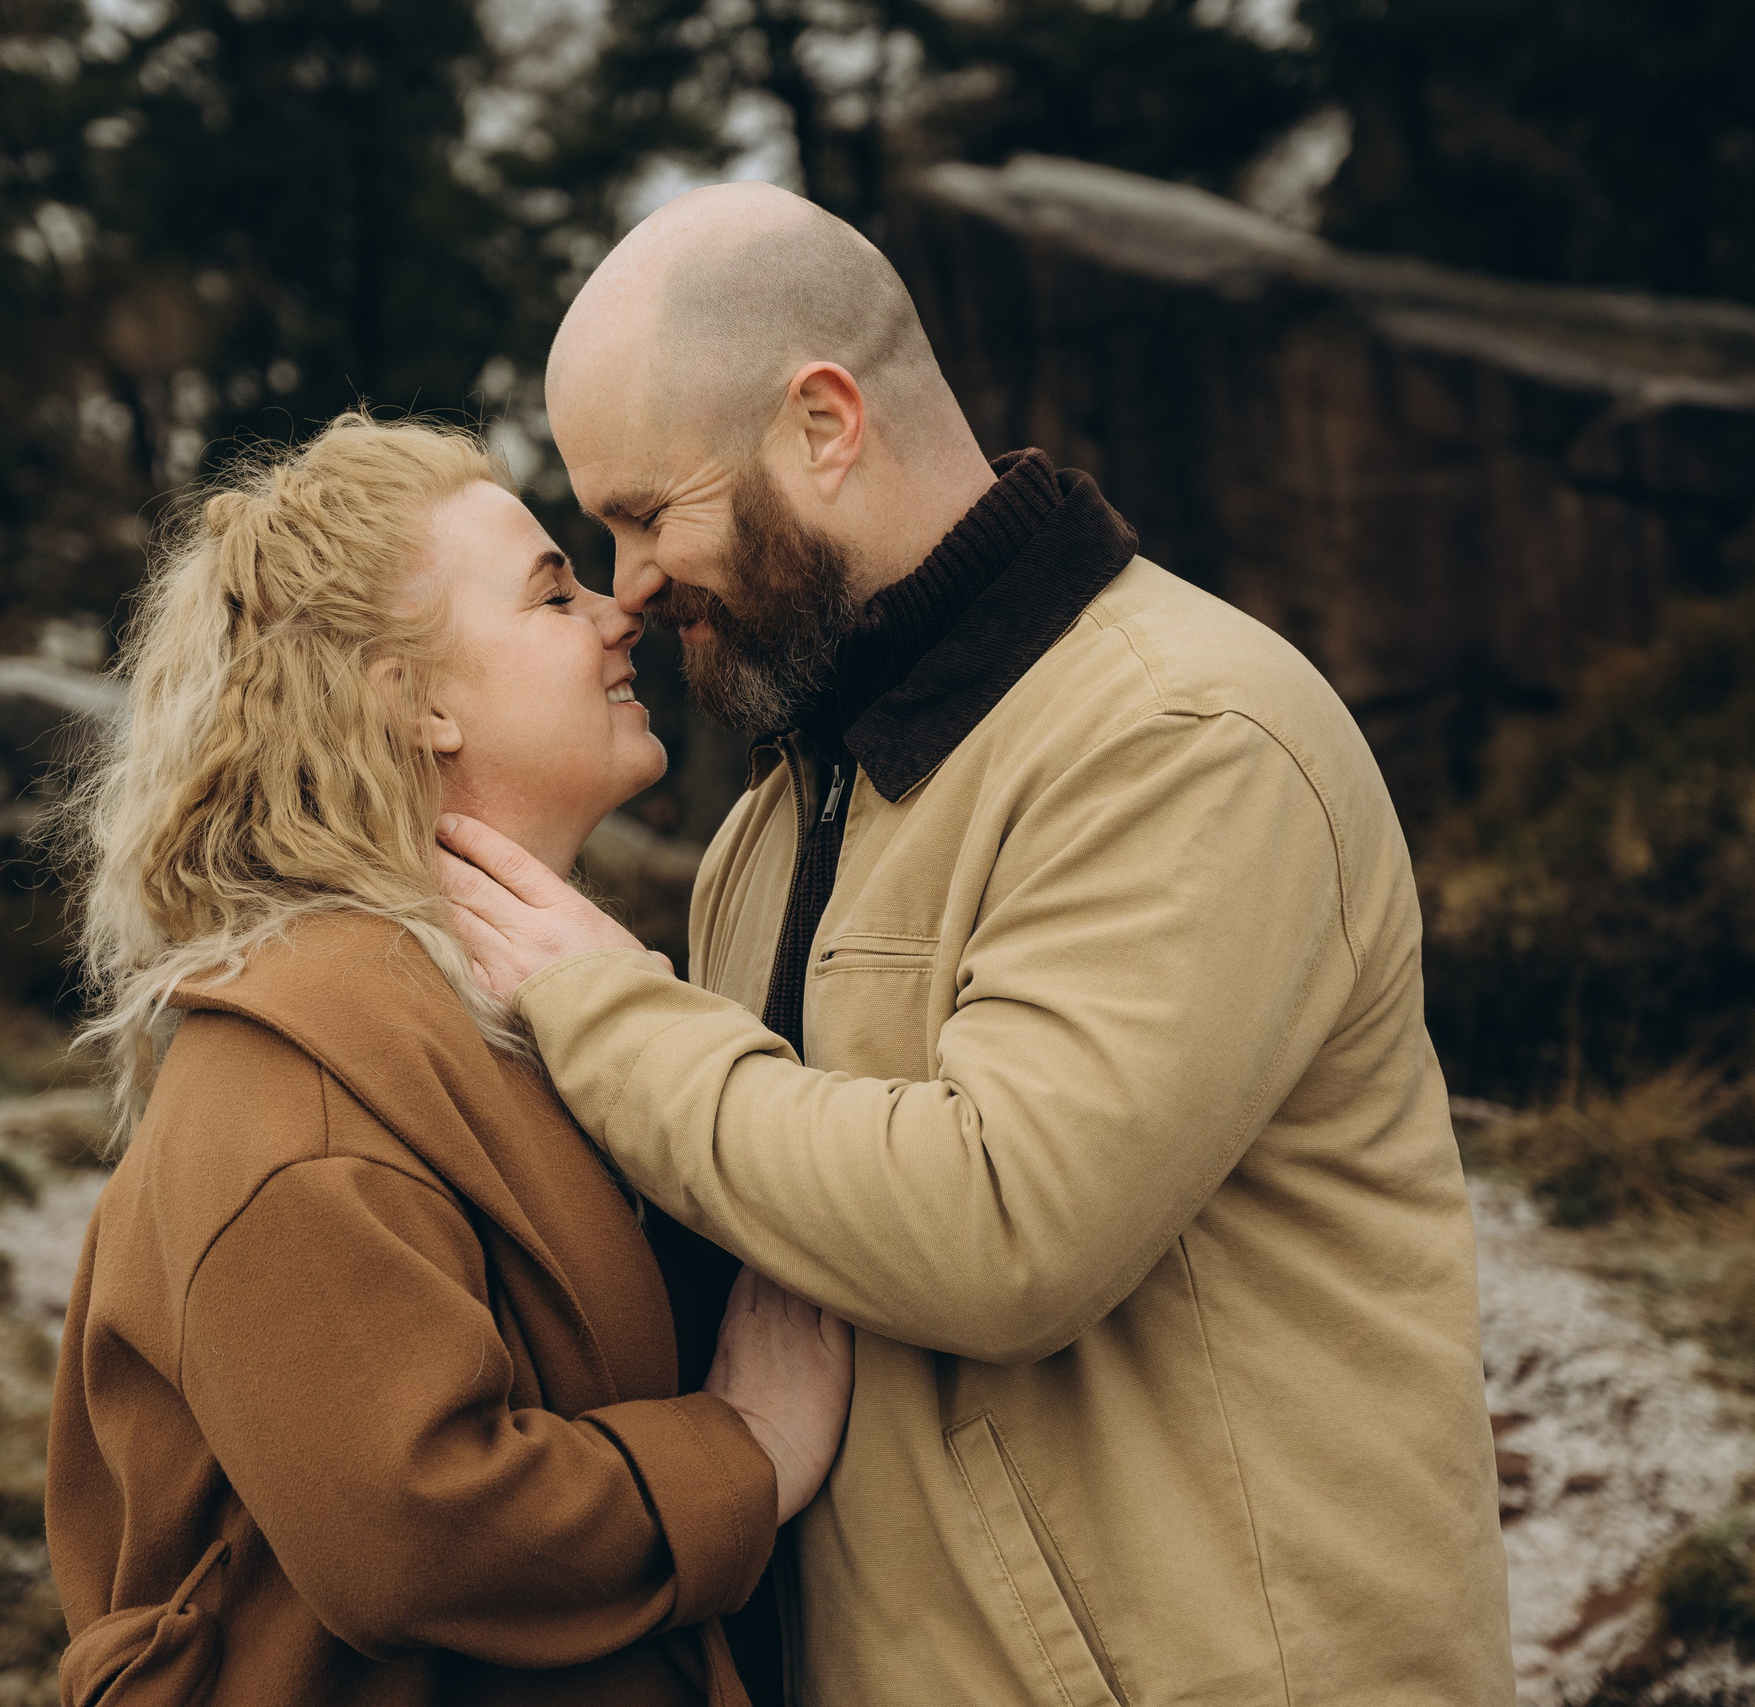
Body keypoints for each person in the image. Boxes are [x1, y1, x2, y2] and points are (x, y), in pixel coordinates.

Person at [438, 184, 1516, 1705]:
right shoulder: (774, 817)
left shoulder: (1179, 735)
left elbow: (1008, 1226)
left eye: (644, 512)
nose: (627, 586)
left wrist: (601, 1013)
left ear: (824, 424)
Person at [44, 412, 854, 1707]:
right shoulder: (300, 1087)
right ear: (409, 701)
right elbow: (415, 1530)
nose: (618, 611)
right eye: (551, 591)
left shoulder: (503, 1023)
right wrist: (743, 1450)